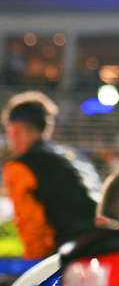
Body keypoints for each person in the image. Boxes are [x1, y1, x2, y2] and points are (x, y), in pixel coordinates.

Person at [2, 91, 100, 259]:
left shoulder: (20, 168)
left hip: (64, 256)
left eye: (9, 132)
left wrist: (33, 270)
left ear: (17, 130)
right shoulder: (74, 157)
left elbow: (31, 226)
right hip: (100, 246)